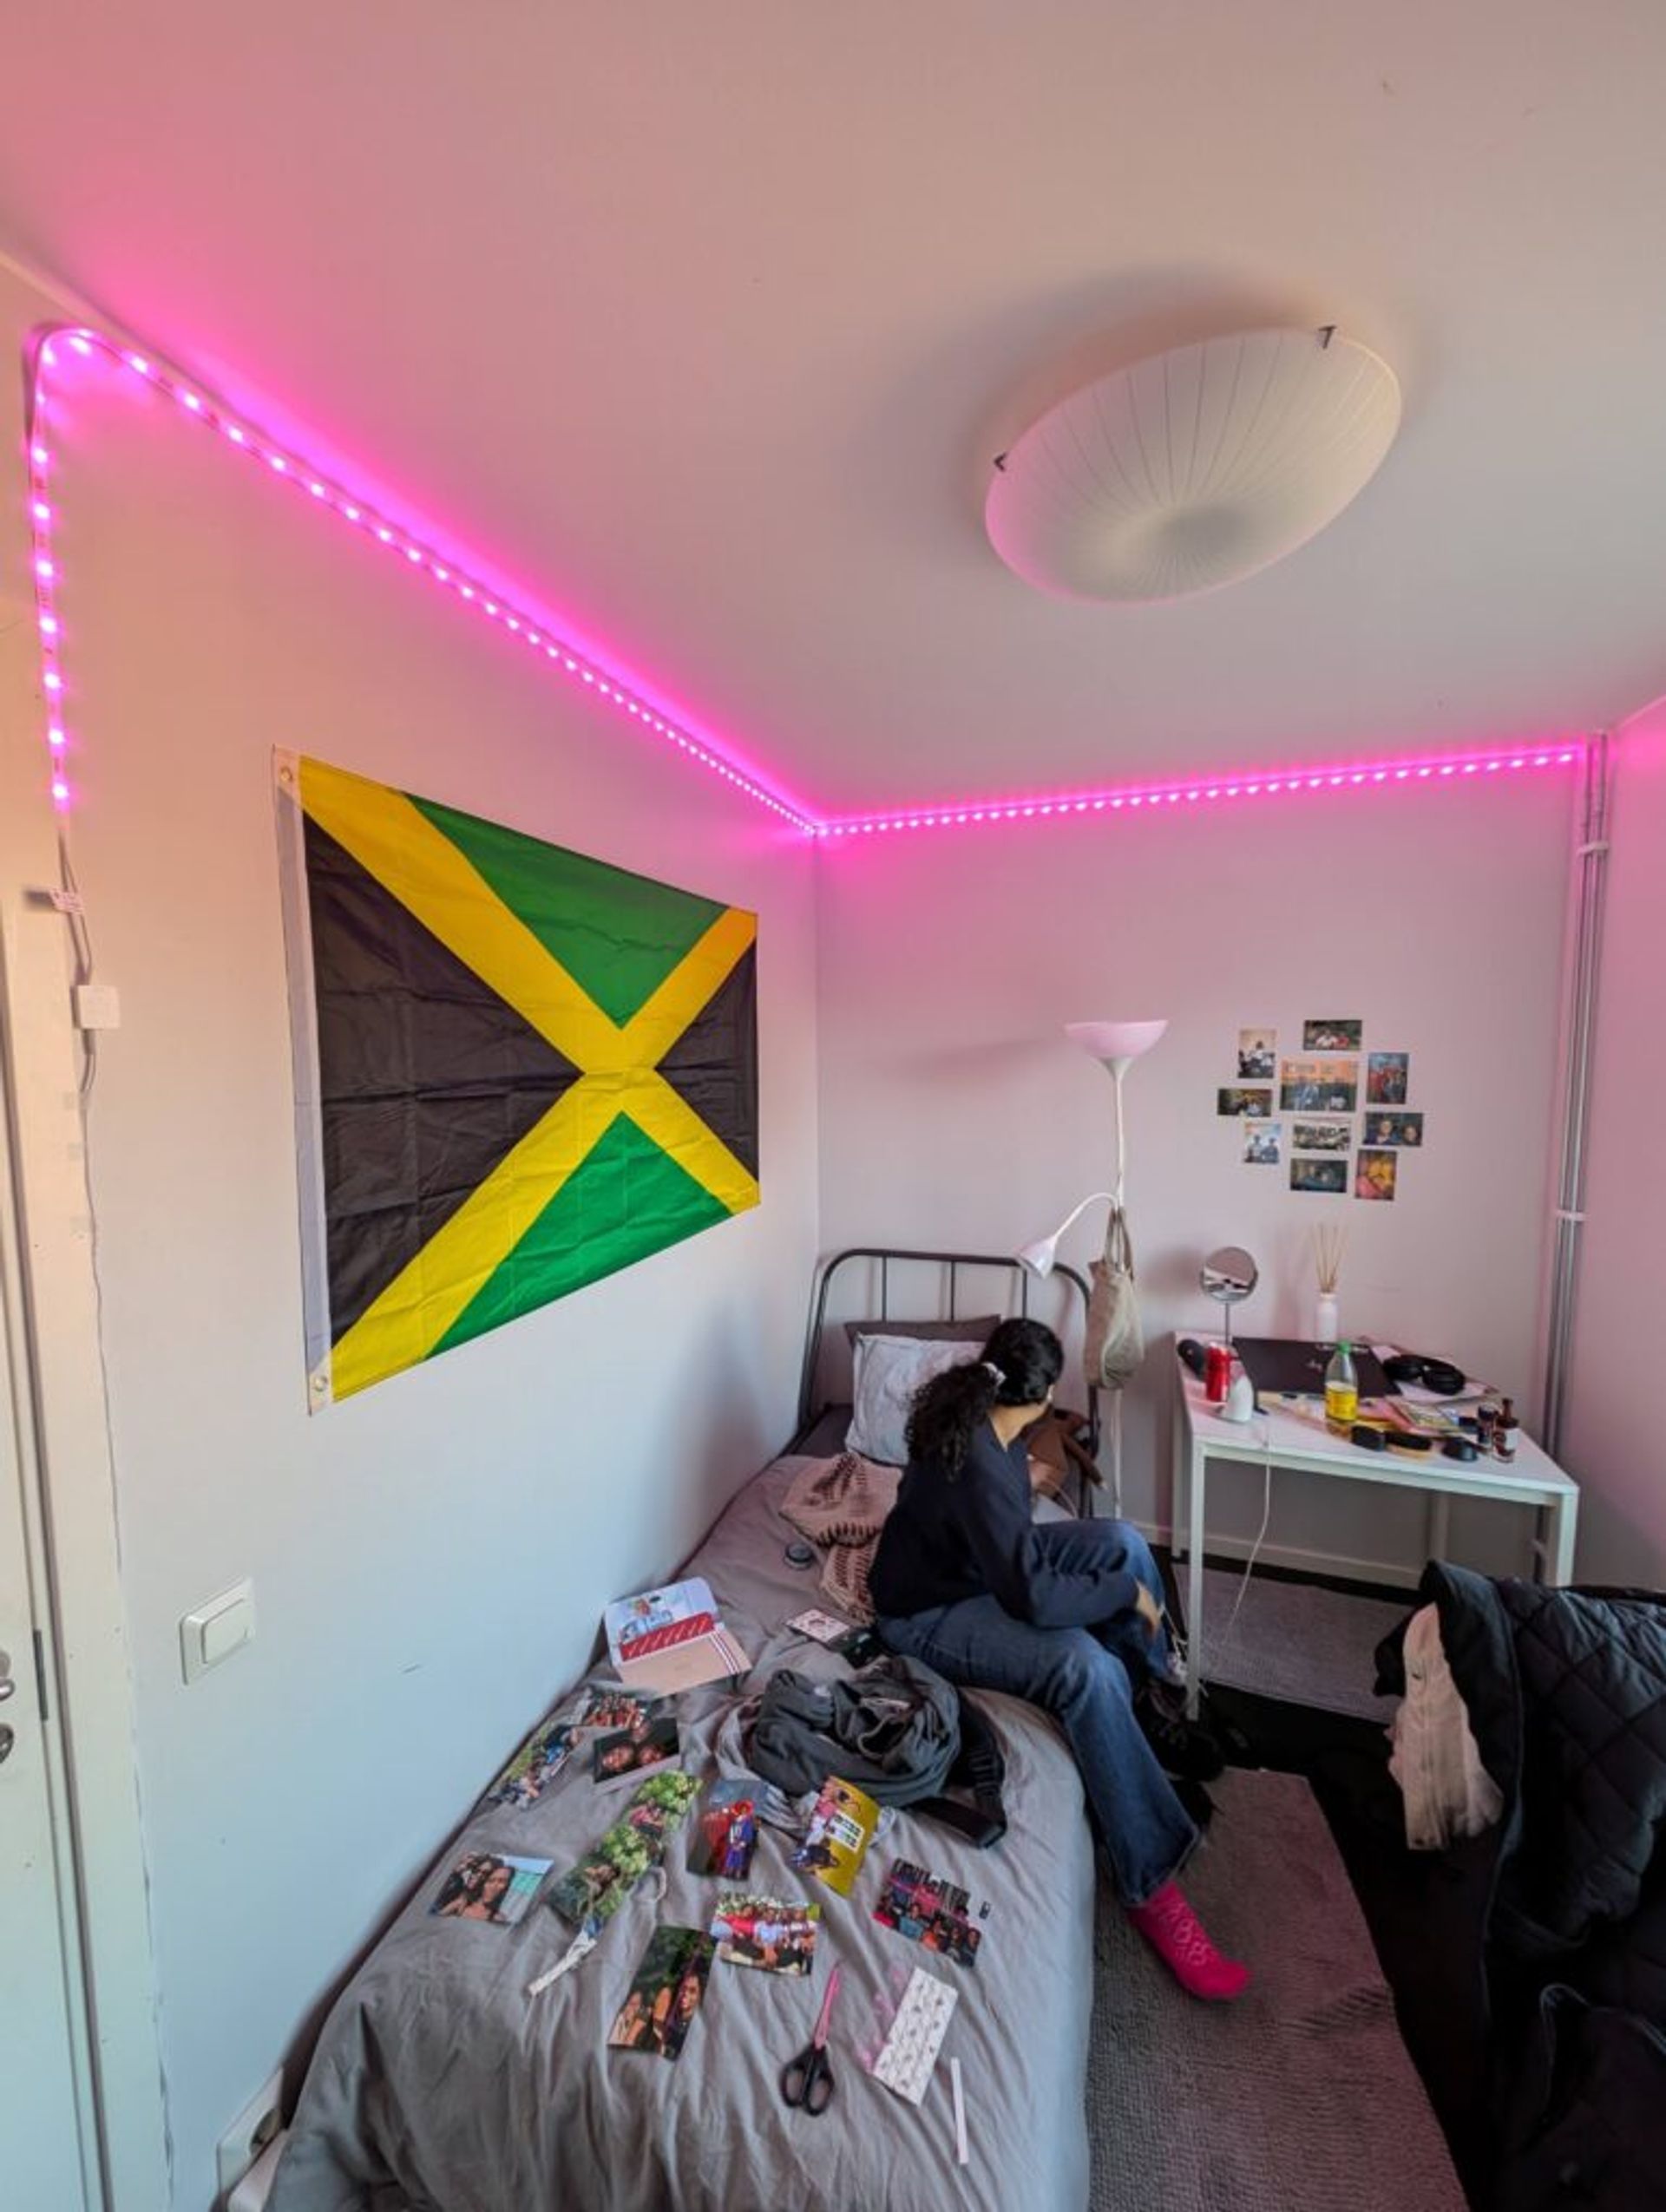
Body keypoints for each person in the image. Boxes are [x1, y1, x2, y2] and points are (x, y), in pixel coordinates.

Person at [868, 1318, 1250, 2003]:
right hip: (924, 1613)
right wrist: (1126, 1596)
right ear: (1041, 1393)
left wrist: (1117, 1571)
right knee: (1083, 1665)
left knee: (1125, 1542)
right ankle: (1149, 1881)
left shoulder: (986, 1416)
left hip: (980, 1569)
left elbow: (1016, 1550)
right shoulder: (980, 1463)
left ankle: (1147, 1706)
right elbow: (1034, 1597)